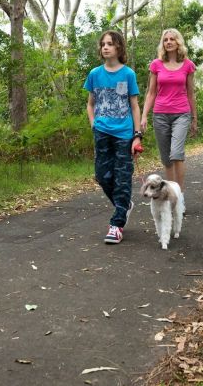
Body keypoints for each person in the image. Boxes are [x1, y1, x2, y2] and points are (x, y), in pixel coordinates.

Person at [84, 30, 143, 244]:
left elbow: (135, 107)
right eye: (103, 44)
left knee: (122, 178)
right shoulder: (94, 74)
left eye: (110, 43)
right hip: (101, 131)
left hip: (124, 134)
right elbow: (91, 104)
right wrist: (94, 125)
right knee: (102, 176)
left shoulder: (128, 74)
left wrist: (137, 136)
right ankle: (124, 204)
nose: (105, 47)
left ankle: (117, 224)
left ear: (119, 47)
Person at [140, 29, 197, 206]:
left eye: (172, 39)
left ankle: (179, 196)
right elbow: (151, 93)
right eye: (166, 40)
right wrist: (143, 116)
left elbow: (190, 93)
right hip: (160, 114)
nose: (169, 42)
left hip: (181, 113)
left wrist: (194, 117)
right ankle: (170, 194)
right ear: (163, 43)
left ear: (178, 42)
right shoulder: (156, 64)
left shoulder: (188, 65)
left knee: (176, 154)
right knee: (166, 158)